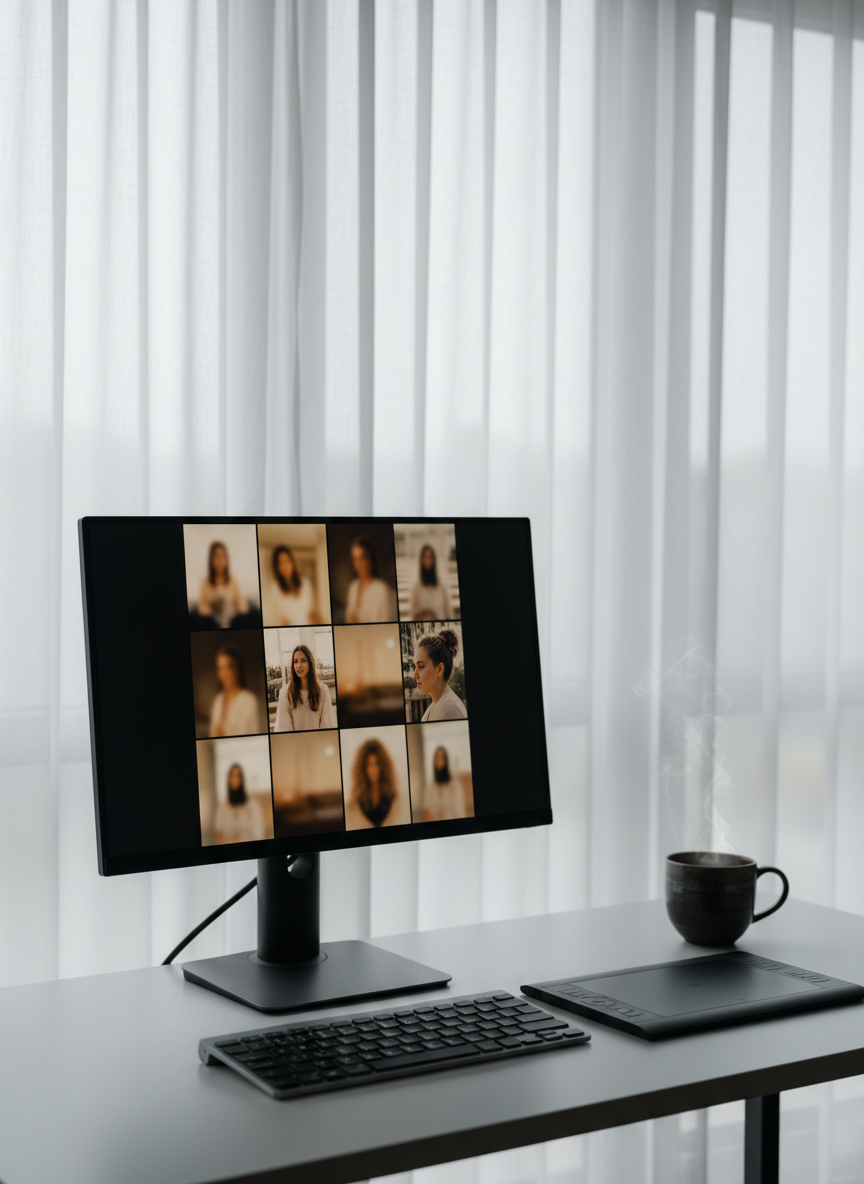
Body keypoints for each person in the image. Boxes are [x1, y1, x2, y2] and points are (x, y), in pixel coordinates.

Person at [274, 644, 335, 732]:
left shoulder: (323, 691)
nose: (299, 665)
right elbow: (284, 728)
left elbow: (326, 726)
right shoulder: (285, 693)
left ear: (310, 663)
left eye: (303, 661)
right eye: (295, 661)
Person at [412, 628, 467, 721]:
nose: (415, 675)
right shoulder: (435, 706)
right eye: (415, 667)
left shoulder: (451, 710)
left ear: (439, 669)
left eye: (421, 666)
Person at [345, 738, 400, 829]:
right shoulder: (356, 803)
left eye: (376, 764)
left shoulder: (392, 798)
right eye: (369, 764)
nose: (373, 769)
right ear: (363, 768)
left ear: (383, 766)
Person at [209, 646, 263, 737]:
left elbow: (253, 736)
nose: (224, 674)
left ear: (237, 669)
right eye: (220, 669)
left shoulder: (249, 701)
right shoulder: (218, 700)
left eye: (228, 667)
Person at [345, 536, 397, 623]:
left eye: (362, 558)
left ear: (370, 559)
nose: (359, 564)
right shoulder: (353, 587)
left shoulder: (381, 590)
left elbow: (385, 624)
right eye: (355, 559)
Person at [197, 541, 248, 629]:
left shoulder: (234, 581)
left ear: (227, 559)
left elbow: (242, 608)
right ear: (211, 560)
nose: (220, 560)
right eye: (216, 556)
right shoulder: (205, 582)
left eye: (223, 556)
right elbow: (203, 610)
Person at [214, 764, 264, 843]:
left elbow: (258, 834)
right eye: (232, 776)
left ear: (242, 779)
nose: (234, 779)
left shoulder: (253, 806)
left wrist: (241, 839)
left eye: (238, 776)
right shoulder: (222, 807)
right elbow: (219, 834)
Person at [269, 545, 317, 626]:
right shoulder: (275, 588)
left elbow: (312, 612)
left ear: (292, 562)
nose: (285, 565)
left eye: (287, 561)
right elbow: (281, 620)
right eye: (281, 562)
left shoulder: (305, 584)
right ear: (277, 566)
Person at [422, 745, 466, 822]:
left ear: (446, 760)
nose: (439, 760)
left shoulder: (455, 785)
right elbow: (427, 812)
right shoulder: (430, 787)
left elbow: (460, 811)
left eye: (442, 757)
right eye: (437, 757)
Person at [409, 544, 452, 622]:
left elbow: (448, 613)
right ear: (421, 560)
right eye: (425, 557)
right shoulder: (416, 587)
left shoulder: (442, 586)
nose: (428, 560)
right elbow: (413, 615)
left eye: (430, 557)